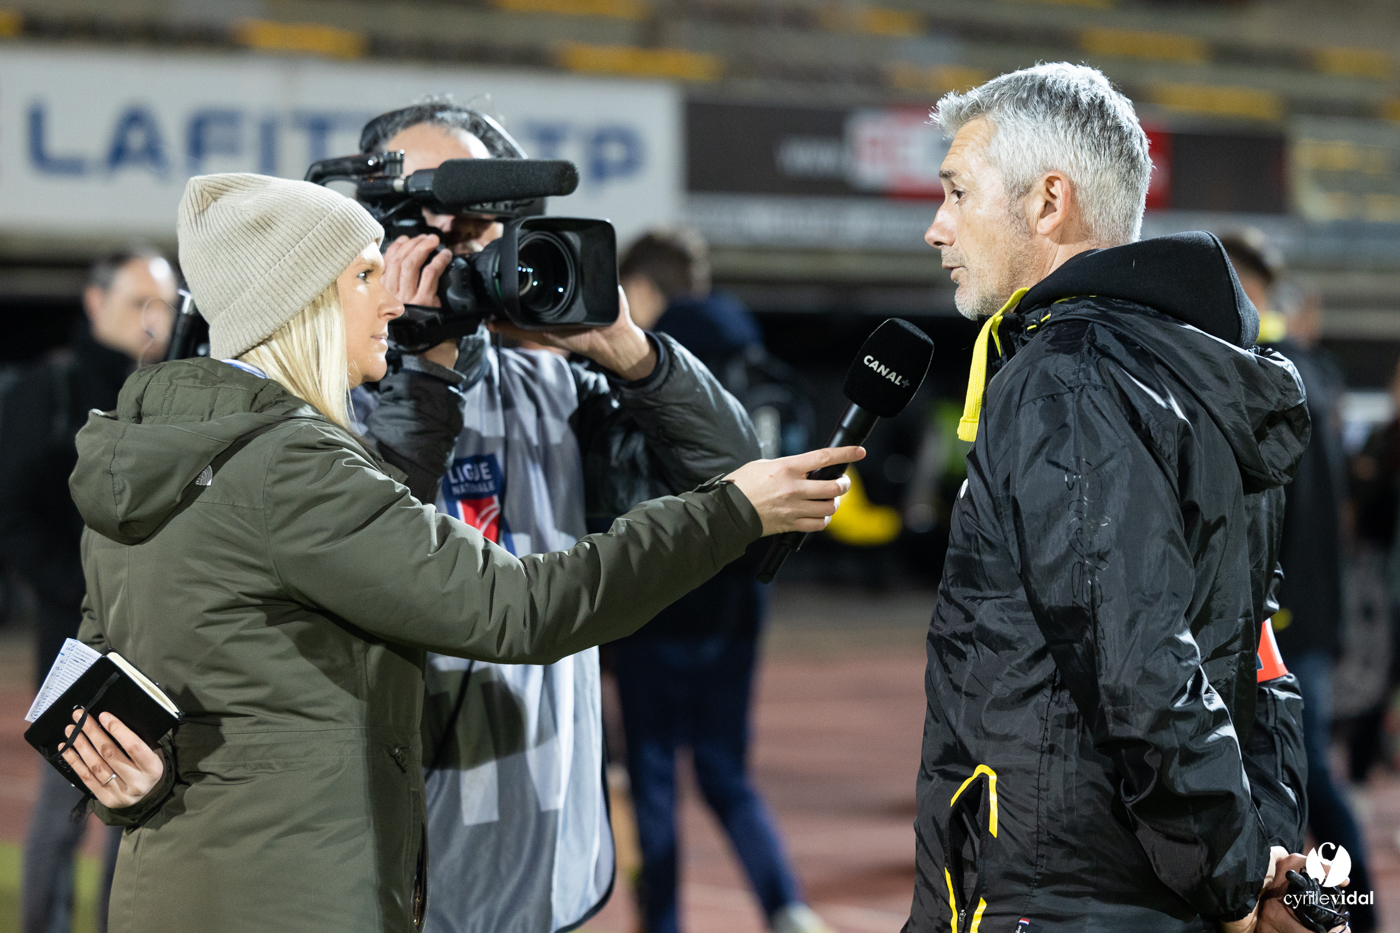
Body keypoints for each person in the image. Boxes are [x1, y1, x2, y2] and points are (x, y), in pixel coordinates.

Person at [54, 172, 858, 933]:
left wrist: (136, 787)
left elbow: (99, 676)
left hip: (194, 887)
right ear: (303, 302)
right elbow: (521, 609)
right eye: (369, 274)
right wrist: (732, 511)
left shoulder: (151, 440)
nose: (397, 300)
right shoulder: (289, 461)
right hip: (294, 896)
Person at [912, 64, 1323, 932]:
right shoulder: (1193, 371)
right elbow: (1258, 657)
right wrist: (1264, 855)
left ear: (1047, 201)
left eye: (956, 191)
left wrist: (1238, 876)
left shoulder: (1066, 377)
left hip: (1061, 894)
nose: (936, 226)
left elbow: (1138, 661)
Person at [354, 100, 765, 933]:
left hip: (551, 872)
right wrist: (420, 367)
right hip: (400, 875)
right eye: (417, 211)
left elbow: (734, 477)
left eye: (472, 219)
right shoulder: (327, 389)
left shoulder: (555, 385)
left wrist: (629, 349)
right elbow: (370, 563)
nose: (444, 237)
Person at [615, 230, 831, 933]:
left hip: (663, 600)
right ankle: (785, 904)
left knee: (651, 773)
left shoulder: (655, 364)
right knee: (725, 770)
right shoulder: (755, 356)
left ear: (643, 288)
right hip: (742, 602)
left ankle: (665, 923)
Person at [0, 247, 176, 933]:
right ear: (95, 304)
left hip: (162, 639)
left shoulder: (174, 393)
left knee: (141, 815)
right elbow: (13, 513)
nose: (153, 320)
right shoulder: (49, 395)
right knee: (63, 808)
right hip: (71, 638)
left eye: (163, 303)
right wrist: (80, 591)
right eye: (139, 302)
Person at [1226, 231, 1380, 933]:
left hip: (1281, 614)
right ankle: (1351, 907)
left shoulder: (1263, 371)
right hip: (1312, 604)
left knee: (1299, 774)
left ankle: (1356, 909)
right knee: (1301, 770)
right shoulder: (1312, 369)